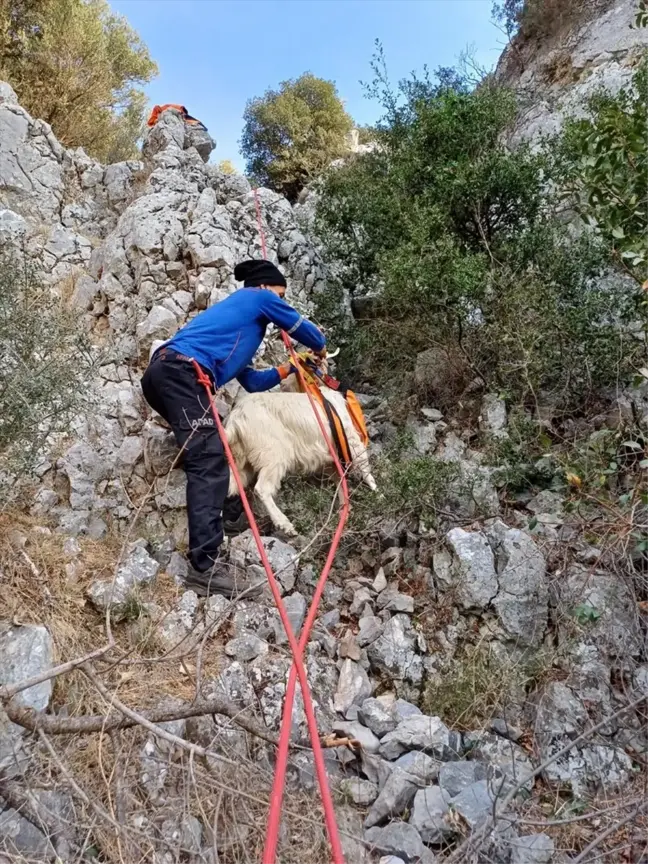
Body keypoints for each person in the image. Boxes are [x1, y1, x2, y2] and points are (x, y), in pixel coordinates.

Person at [141, 259, 326, 597]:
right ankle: (205, 567)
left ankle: (227, 515)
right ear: (266, 288)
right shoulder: (257, 298)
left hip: (165, 376)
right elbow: (307, 330)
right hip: (183, 375)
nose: (281, 304)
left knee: (209, 451)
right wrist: (319, 347)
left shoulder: (241, 327)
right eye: (280, 296)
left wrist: (290, 368)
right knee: (209, 459)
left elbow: (253, 382)